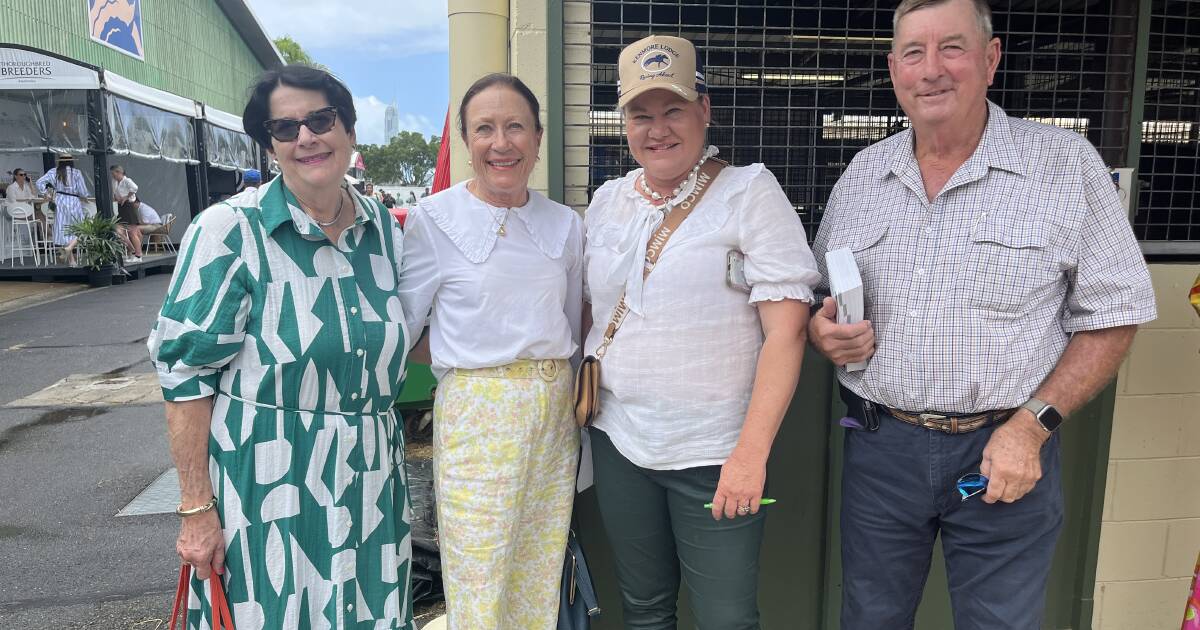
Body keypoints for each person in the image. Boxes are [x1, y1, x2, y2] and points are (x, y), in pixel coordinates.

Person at [806, 1, 1157, 628]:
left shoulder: (1064, 166)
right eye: (914, 52)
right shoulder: (864, 173)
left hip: (1008, 448)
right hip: (883, 452)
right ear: (894, 71)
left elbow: (1116, 310)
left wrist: (1033, 426)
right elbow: (822, 297)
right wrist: (823, 331)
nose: (932, 69)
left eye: (953, 48)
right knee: (870, 618)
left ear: (991, 59)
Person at [147, 65, 415, 630]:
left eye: (321, 119)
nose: (306, 138)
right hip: (266, 485)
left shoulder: (386, 234)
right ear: (269, 145)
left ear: (349, 128)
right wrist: (196, 510)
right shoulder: (229, 231)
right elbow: (184, 374)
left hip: (369, 478)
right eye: (285, 129)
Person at [583, 35, 820, 628]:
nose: (657, 129)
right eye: (641, 114)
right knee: (642, 608)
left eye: (673, 110)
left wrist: (750, 454)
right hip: (621, 440)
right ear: (624, 122)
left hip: (716, 451)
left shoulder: (749, 193)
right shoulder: (608, 202)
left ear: (704, 110)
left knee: (726, 618)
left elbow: (786, 333)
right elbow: (590, 310)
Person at [397, 73, 582, 630]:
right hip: (479, 413)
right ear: (466, 140)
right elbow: (405, 328)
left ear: (538, 137)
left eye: (515, 127)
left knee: (538, 567)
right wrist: (470, 354)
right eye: (485, 129)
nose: (501, 143)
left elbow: (569, 322)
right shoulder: (434, 220)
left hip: (553, 415)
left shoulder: (566, 224)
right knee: (480, 573)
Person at [35, 154, 89, 267]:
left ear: (60, 161)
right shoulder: (76, 172)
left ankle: (72, 261)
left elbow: (39, 182)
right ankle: (70, 249)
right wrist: (84, 197)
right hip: (74, 201)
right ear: (71, 161)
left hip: (59, 201)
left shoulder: (54, 171)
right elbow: (83, 191)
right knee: (81, 228)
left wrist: (47, 194)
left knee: (64, 229)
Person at [110, 165, 145, 259]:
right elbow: (115, 193)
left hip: (129, 206)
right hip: (121, 207)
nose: (113, 176)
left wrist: (126, 197)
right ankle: (132, 249)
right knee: (117, 231)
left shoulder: (127, 180)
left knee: (132, 233)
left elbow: (135, 188)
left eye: (114, 174)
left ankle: (138, 255)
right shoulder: (115, 182)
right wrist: (117, 198)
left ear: (119, 172)